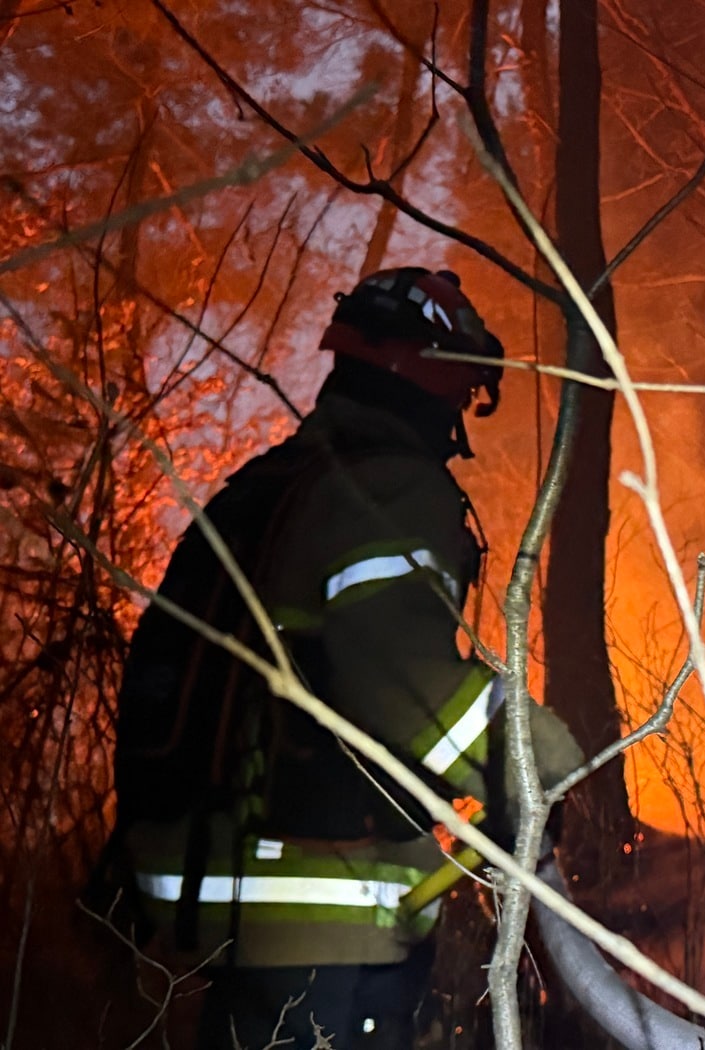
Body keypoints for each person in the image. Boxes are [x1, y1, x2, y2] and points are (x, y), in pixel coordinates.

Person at [107, 266, 582, 1049]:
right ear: (440, 377)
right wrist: (536, 763)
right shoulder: (385, 488)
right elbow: (397, 677)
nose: (461, 412)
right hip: (320, 909)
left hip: (227, 891)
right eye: (465, 391)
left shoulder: (272, 485)